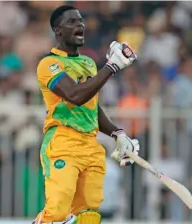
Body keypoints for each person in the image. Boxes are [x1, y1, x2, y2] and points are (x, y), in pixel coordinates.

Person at [33, 5, 140, 224]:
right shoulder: (49, 64)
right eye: (71, 22)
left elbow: (91, 107)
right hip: (63, 141)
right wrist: (111, 67)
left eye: (80, 21)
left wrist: (118, 134)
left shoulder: (89, 63)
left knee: (88, 215)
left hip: (90, 146)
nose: (79, 25)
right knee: (58, 213)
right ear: (57, 30)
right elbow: (75, 95)